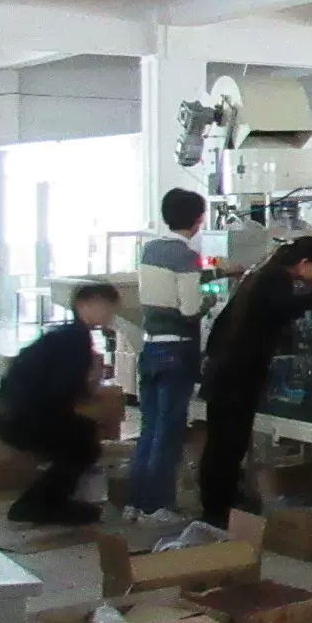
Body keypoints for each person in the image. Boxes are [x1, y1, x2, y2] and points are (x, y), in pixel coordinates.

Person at [198, 237, 312, 526]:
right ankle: (218, 513)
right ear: (303, 263)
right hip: (238, 376)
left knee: (220, 445)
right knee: (228, 447)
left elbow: (224, 323)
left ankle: (218, 506)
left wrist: (211, 357)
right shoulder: (276, 279)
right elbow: (284, 307)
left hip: (223, 371)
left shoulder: (257, 277)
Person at [0, 283, 120, 525]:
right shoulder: (74, 340)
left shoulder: (67, 336)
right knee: (83, 442)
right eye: (105, 306)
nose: (109, 314)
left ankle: (47, 501)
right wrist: (92, 381)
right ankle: (37, 505)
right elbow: (64, 390)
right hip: (22, 418)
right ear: (83, 305)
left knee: (82, 433)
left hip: (14, 414)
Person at [129, 189, 210, 525]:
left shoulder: (151, 250)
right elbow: (190, 309)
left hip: (150, 349)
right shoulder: (186, 256)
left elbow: (164, 291)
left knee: (149, 428)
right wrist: (210, 298)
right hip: (177, 351)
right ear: (199, 219)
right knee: (169, 431)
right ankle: (158, 506)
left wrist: (214, 275)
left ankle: (136, 504)